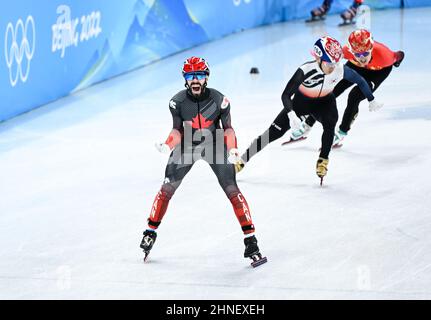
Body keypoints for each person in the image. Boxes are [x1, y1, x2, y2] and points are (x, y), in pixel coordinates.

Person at [140, 56, 266, 266]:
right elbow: (177, 130)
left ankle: (250, 239)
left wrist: (233, 148)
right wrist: (168, 144)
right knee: (166, 188)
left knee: (232, 190)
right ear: (185, 79)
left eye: (199, 75)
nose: (195, 80)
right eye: (191, 76)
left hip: (214, 144)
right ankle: (150, 231)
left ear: (206, 77)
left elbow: (227, 128)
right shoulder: (177, 102)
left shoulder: (220, 100)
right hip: (187, 145)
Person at [234, 36, 382, 182]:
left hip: (324, 104)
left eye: (336, 63)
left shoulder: (339, 68)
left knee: (330, 123)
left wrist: (371, 99)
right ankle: (242, 160)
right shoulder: (305, 70)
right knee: (272, 134)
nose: (333, 67)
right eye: (329, 63)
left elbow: (360, 81)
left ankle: (323, 160)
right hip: (300, 104)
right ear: (318, 59)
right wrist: (291, 114)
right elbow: (285, 95)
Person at [289, 29, 405, 147]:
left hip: (378, 71)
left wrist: (398, 61)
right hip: (356, 66)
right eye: (357, 54)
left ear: (371, 49)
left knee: (354, 96)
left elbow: (399, 55)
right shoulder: (345, 52)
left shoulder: (385, 56)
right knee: (330, 91)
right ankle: (308, 124)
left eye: (365, 53)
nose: (362, 57)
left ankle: (342, 131)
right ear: (351, 51)